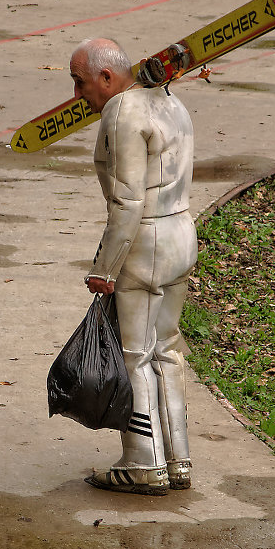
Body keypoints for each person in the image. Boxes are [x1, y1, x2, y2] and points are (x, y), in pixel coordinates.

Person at [69, 37, 198, 496]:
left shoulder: (122, 110)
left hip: (145, 241)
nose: (79, 95)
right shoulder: (171, 103)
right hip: (182, 232)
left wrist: (106, 266)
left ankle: (143, 461)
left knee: (134, 354)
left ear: (107, 77)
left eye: (81, 83)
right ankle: (177, 458)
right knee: (168, 349)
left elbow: (127, 199)